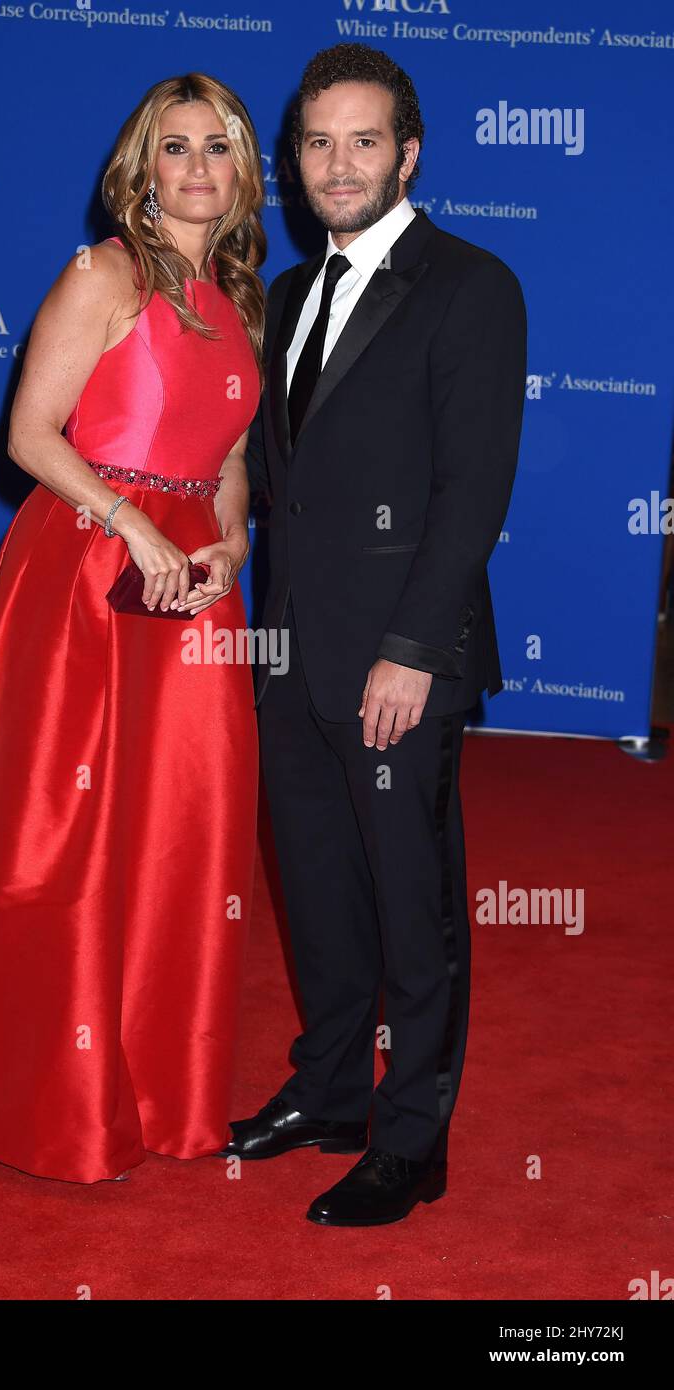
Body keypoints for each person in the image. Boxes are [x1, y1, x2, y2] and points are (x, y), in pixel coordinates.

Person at [0, 74, 267, 1185]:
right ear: (141, 170)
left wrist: (230, 547)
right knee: (62, 825)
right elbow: (31, 436)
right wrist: (134, 521)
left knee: (180, 829)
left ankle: (154, 1082)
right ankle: (43, 1090)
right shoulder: (105, 273)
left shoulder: (240, 296)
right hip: (89, 567)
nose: (196, 168)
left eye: (218, 148)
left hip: (193, 586)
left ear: (242, 172)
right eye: (174, 148)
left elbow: (231, 461)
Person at [224, 43, 527, 1227]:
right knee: (320, 889)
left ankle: (413, 1139)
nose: (337, 164)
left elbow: (472, 495)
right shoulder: (289, 296)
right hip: (292, 652)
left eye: (362, 140)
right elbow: (275, 479)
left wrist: (411, 649)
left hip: (400, 658)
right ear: (293, 163)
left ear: (409, 153)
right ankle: (335, 1091)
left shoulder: (471, 284)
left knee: (415, 904)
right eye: (315, 143)